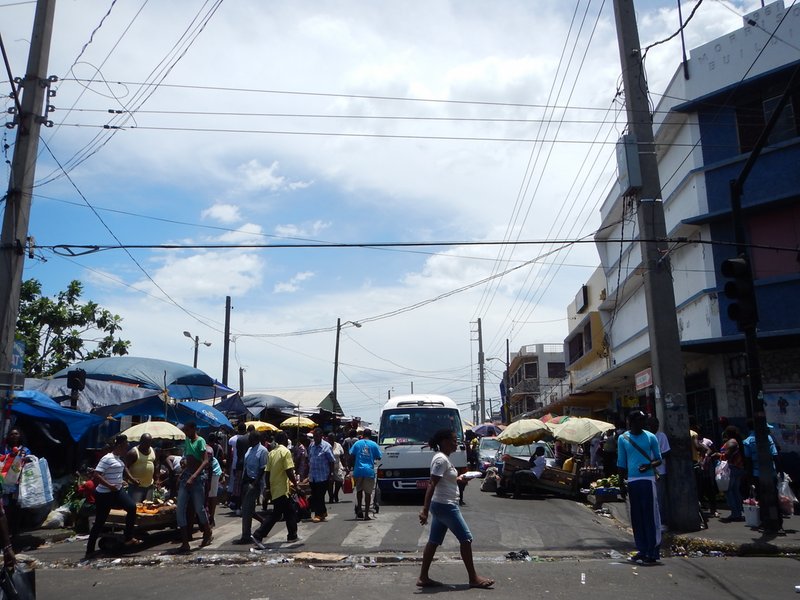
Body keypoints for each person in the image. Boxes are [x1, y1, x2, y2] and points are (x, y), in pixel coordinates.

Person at [417, 429, 494, 589]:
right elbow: (432, 484)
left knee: (433, 541)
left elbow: (444, 480)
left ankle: (423, 577)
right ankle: (473, 578)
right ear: (444, 442)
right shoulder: (441, 460)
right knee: (466, 539)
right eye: (453, 440)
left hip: (441, 504)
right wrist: (424, 510)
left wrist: (459, 478)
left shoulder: (443, 458)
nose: (456, 443)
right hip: (446, 505)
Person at [617, 410, 662, 565]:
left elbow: (658, 459)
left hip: (648, 480)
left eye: (643, 419)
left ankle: (653, 551)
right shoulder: (623, 438)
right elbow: (621, 463)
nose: (643, 422)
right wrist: (621, 484)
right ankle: (642, 549)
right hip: (632, 481)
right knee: (637, 517)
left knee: (650, 516)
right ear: (631, 422)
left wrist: (648, 465)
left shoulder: (650, 437)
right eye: (640, 420)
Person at [85, 435, 141, 559]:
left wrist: (131, 480)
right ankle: (89, 551)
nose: (127, 449)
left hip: (118, 490)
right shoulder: (107, 458)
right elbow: (97, 475)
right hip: (104, 493)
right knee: (100, 522)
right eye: (126, 446)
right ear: (119, 446)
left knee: (131, 507)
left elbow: (123, 469)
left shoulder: (119, 458)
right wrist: (109, 486)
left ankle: (128, 538)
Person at [251, 431, 299, 547]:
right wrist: (296, 485)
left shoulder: (272, 453)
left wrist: (268, 488)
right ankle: (258, 534)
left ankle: (292, 535)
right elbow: (289, 470)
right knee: (276, 514)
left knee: (290, 511)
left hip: (275, 488)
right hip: (282, 489)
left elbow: (267, 473)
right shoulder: (285, 452)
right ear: (284, 440)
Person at [176, 422, 213, 553]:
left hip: (197, 478)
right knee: (180, 508)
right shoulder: (187, 440)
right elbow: (188, 458)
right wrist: (183, 465)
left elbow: (205, 461)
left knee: (199, 508)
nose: (185, 432)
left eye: (187, 430)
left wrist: (194, 476)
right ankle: (185, 542)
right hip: (186, 476)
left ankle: (207, 531)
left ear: (193, 429)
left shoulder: (200, 441)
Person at [237, 432, 268, 544]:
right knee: (248, 509)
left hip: (254, 483)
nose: (248, 441)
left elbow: (263, 468)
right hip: (245, 481)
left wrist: (255, 482)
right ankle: (264, 523)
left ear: (256, 439)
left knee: (246, 510)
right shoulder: (249, 450)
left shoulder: (263, 451)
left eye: (250, 439)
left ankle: (246, 536)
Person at [0, 427, 29, 535]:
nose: (14, 436)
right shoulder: (4, 449)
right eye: (11, 434)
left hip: (19, 483)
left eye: (16, 434)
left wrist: (25, 459)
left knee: (16, 507)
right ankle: (6, 533)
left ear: (20, 435)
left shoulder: (25, 450)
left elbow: (29, 462)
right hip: (5, 481)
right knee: (5, 508)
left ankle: (15, 532)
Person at [349, 428, 382, 520]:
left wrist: (349, 468)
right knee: (368, 493)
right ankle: (366, 514)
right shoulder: (374, 444)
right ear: (370, 435)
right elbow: (379, 457)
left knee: (359, 490)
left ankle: (359, 508)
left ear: (362, 435)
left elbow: (351, 455)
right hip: (369, 471)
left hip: (358, 470)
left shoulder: (357, 443)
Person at [715, 425, 745, 523]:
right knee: (735, 491)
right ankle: (739, 512)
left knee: (728, 491)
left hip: (732, 469)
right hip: (738, 468)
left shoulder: (732, 442)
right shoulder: (736, 441)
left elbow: (726, 456)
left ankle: (735, 513)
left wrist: (718, 455)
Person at [646, 416, 670, 530]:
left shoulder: (661, 436)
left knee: (660, 498)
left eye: (656, 425)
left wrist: (654, 460)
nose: (654, 427)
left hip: (660, 471)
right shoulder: (644, 437)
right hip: (647, 472)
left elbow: (666, 452)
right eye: (651, 425)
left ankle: (661, 521)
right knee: (650, 498)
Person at [308, 428, 335, 523]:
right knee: (315, 496)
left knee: (319, 496)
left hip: (323, 476)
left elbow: (332, 461)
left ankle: (318, 514)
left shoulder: (326, 446)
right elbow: (309, 458)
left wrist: (331, 474)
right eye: (314, 436)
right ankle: (323, 512)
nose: (315, 438)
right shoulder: (311, 445)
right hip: (313, 476)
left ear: (321, 436)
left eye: (317, 436)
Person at [125, 433, 157, 504]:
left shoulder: (153, 450)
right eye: (145, 443)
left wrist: (156, 478)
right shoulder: (133, 452)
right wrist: (132, 479)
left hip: (149, 485)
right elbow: (125, 467)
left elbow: (155, 465)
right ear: (141, 441)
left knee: (148, 506)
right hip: (136, 486)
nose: (147, 445)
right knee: (135, 506)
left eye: (149, 443)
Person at [326, 432, 345, 504]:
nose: (331, 440)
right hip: (328, 466)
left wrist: (345, 466)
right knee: (330, 483)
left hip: (337, 465)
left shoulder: (338, 445)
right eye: (330, 438)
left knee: (340, 480)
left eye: (332, 438)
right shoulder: (326, 446)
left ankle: (336, 494)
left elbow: (342, 456)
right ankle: (331, 497)